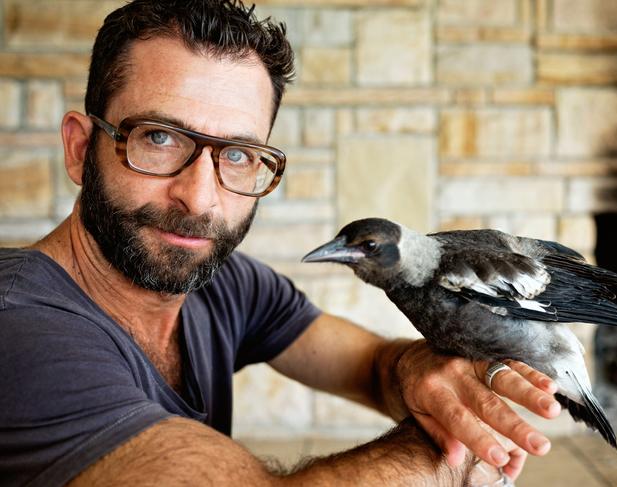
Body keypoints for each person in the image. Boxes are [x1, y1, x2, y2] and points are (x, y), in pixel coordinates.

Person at [0, 1, 562, 485]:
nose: (199, 199)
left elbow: (369, 366)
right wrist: (457, 447)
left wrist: (422, 371)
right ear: (79, 149)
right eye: (160, 137)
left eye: (238, 154)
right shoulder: (18, 326)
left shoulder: (227, 283)